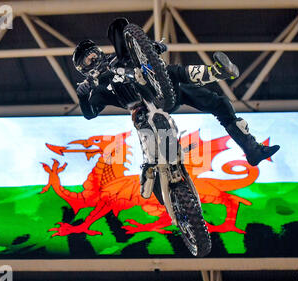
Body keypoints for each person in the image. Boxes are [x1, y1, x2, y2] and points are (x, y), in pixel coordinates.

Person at [72, 21, 280, 192]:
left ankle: (251, 149)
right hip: (143, 110)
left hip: (163, 90)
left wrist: (150, 47)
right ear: (84, 69)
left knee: (219, 102)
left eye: (93, 54)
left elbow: (144, 53)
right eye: (87, 61)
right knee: (152, 150)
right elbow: (90, 115)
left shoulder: (119, 58)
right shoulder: (96, 87)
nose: (93, 59)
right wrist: (83, 97)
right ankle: (153, 171)